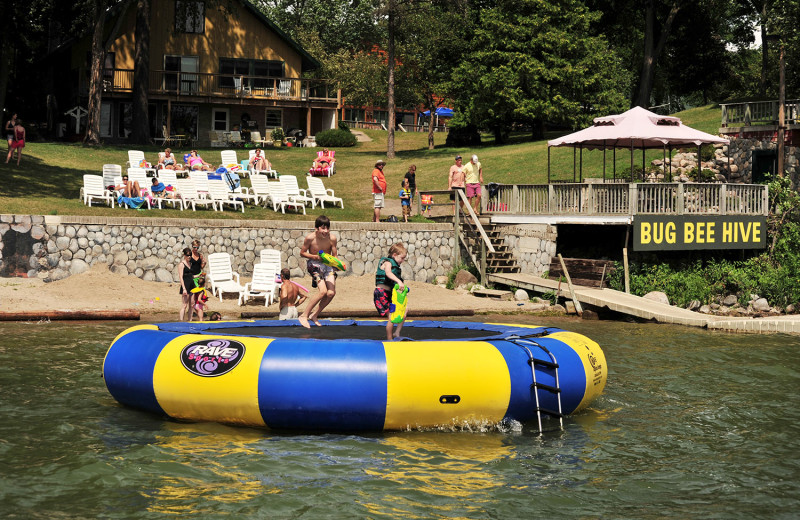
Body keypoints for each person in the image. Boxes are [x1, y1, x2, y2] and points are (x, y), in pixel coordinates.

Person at [298, 215, 338, 328]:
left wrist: (337, 265)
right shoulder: (310, 238)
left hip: (327, 265)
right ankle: (303, 315)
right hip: (314, 264)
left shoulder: (332, 238)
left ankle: (314, 315)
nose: (325, 231)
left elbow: (335, 255)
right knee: (323, 291)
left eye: (327, 228)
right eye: (323, 228)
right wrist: (315, 257)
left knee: (331, 293)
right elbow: (302, 253)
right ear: (317, 228)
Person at [374, 242, 408, 340]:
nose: (403, 260)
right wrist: (398, 281)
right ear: (394, 255)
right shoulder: (387, 262)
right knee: (391, 317)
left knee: (405, 310)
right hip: (381, 293)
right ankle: (390, 340)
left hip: (390, 294)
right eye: (402, 258)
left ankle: (396, 332)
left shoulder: (396, 267)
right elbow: (388, 273)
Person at [178, 247, 196, 321]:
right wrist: (184, 289)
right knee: (184, 305)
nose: (189, 257)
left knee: (192, 305)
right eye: (188, 255)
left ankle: (190, 320)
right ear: (184, 255)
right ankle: (181, 321)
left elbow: (191, 275)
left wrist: (199, 275)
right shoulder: (182, 264)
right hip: (186, 286)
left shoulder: (190, 264)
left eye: (190, 255)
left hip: (192, 286)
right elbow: (181, 277)